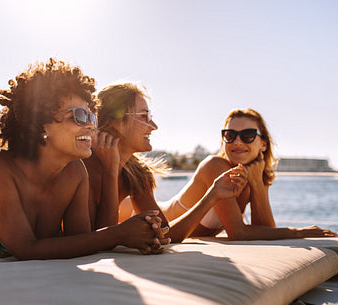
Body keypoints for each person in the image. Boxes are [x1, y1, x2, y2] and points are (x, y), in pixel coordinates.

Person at [0, 59, 168, 260]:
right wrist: (119, 234)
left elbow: (87, 240)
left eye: (92, 116)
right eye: (80, 116)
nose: (91, 126)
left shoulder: (75, 173)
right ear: (41, 125)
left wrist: (113, 176)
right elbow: (26, 248)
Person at [83, 82, 248, 243]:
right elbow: (103, 241)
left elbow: (165, 233)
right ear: (116, 121)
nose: (153, 126)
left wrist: (213, 195)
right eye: (144, 116)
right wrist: (111, 171)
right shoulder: (83, 167)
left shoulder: (137, 174)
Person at [160, 108, 338, 240]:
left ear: (263, 144)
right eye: (230, 135)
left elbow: (265, 230)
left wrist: (257, 184)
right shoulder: (215, 166)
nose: (237, 141)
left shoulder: (255, 173)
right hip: (142, 214)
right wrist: (299, 232)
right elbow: (238, 233)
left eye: (247, 135)